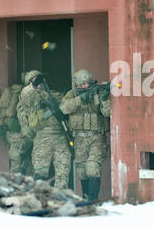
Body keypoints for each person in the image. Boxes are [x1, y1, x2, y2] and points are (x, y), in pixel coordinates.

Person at [60, 69, 111, 200]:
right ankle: (85, 198)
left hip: (96, 136)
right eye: (81, 85)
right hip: (79, 138)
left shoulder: (97, 93)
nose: (84, 86)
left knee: (92, 168)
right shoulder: (71, 94)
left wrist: (105, 99)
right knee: (81, 170)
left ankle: (92, 200)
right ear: (76, 85)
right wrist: (79, 100)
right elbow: (64, 109)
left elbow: (107, 113)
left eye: (86, 84)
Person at [17, 70, 70, 189]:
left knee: (63, 173)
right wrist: (33, 85)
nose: (40, 84)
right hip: (42, 137)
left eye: (42, 80)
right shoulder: (29, 96)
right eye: (37, 81)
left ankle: (60, 200)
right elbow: (27, 98)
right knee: (41, 173)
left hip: (60, 136)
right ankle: (39, 201)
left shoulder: (53, 94)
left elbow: (66, 106)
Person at [0, 80, 33, 175]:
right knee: (28, 167)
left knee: (17, 167)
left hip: (14, 141)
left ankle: (17, 183)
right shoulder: (23, 104)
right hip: (26, 140)